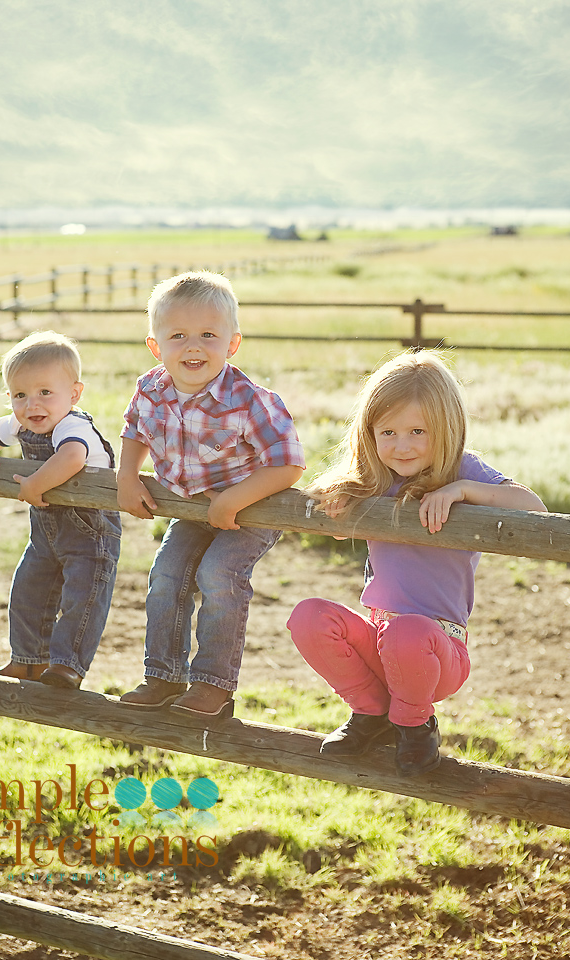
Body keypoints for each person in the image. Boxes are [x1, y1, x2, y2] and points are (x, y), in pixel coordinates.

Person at [287, 351, 546, 777]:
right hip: (380, 641)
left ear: (445, 428)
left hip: (439, 653)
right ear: (369, 433)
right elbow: (319, 504)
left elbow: (533, 509)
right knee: (308, 616)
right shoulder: (374, 476)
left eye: (417, 431)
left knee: (408, 632)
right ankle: (370, 713)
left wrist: (462, 491)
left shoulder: (462, 469)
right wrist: (337, 501)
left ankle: (414, 726)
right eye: (387, 431)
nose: (401, 445)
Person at [117, 271, 305, 717]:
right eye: (178, 336)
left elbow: (289, 463)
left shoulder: (248, 400)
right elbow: (134, 428)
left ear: (232, 343)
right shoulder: (152, 388)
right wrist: (128, 476)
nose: (193, 347)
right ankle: (163, 676)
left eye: (208, 335)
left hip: (252, 509)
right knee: (166, 577)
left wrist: (234, 500)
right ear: (155, 345)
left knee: (219, 575)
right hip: (191, 510)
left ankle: (213, 687)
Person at [0, 331, 121, 690]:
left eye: (45, 393)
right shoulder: (21, 422)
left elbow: (71, 457)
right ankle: (28, 660)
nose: (32, 404)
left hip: (90, 532)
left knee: (82, 598)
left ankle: (67, 666)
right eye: (20, 395)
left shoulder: (72, 426)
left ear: (74, 394)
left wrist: (36, 484)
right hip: (45, 533)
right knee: (28, 591)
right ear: (10, 397)